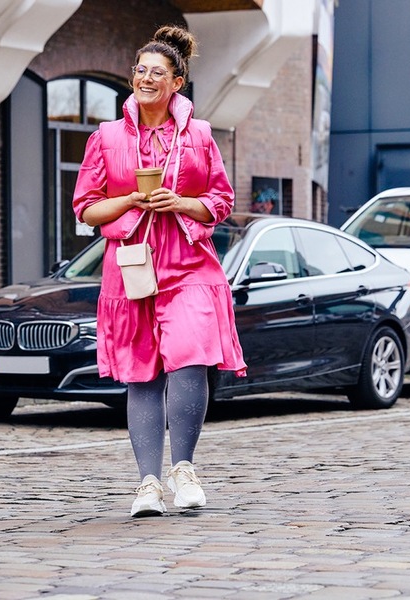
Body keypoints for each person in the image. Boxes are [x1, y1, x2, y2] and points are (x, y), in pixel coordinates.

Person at [72, 25, 247, 518]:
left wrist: (183, 203)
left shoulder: (200, 134)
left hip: (189, 263)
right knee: (142, 374)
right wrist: (128, 199)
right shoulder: (106, 137)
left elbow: (221, 199)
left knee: (189, 358)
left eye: (157, 72)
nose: (146, 78)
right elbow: (85, 208)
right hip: (132, 267)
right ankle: (148, 483)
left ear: (177, 82)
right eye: (140, 70)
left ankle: (184, 469)